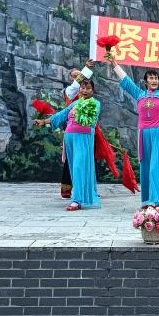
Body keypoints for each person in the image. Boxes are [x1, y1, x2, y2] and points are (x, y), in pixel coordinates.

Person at [108, 57, 159, 207]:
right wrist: (114, 63)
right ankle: (148, 200)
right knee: (147, 167)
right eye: (151, 78)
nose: (154, 80)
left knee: (155, 167)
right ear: (146, 81)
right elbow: (126, 80)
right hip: (144, 134)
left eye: (156, 78)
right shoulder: (139, 94)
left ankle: (156, 199)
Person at [35, 78, 101, 211]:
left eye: (88, 88)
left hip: (83, 138)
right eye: (82, 88)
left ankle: (77, 200)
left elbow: (90, 119)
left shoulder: (95, 103)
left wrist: (79, 111)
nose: (85, 90)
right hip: (70, 138)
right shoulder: (74, 103)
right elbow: (61, 115)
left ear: (92, 90)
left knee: (78, 167)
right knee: (73, 168)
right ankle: (79, 197)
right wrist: (44, 121)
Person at [58, 60, 95, 200]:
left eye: (79, 76)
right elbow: (77, 85)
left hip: (86, 130)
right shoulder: (70, 91)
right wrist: (87, 68)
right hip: (73, 131)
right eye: (74, 76)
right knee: (71, 159)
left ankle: (88, 189)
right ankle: (67, 188)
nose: (77, 78)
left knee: (88, 159)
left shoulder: (87, 93)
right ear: (71, 78)